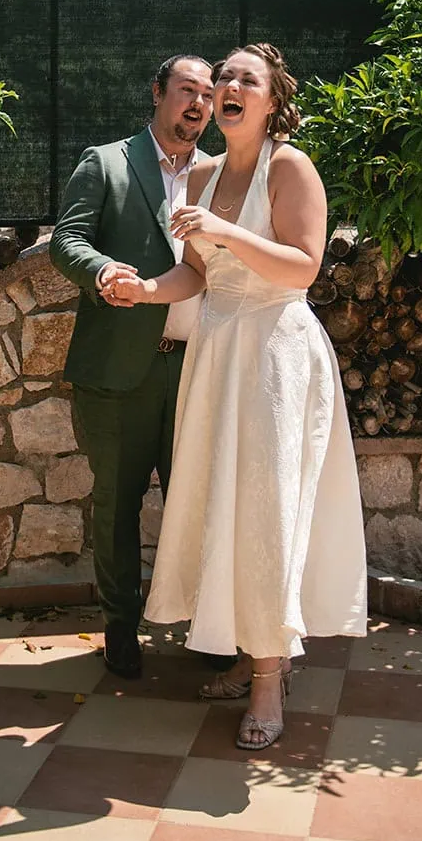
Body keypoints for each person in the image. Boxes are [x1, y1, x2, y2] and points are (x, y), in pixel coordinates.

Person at [108, 43, 367, 749]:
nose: (226, 86)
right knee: (221, 508)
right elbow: (197, 276)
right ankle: (247, 650)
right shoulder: (202, 175)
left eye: (243, 79)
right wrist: (145, 292)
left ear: (272, 101)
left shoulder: (291, 167)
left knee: (267, 512)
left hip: (275, 355)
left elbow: (304, 266)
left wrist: (223, 229)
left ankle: (266, 680)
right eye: (222, 76)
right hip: (217, 355)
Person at [49, 54, 214, 679]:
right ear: (158, 94)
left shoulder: (221, 175)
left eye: (206, 94)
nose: (197, 104)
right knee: (116, 505)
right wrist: (100, 270)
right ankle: (120, 628)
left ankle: (207, 628)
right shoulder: (108, 161)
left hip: (200, 370)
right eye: (185, 91)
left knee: (194, 504)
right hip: (119, 371)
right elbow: (68, 240)